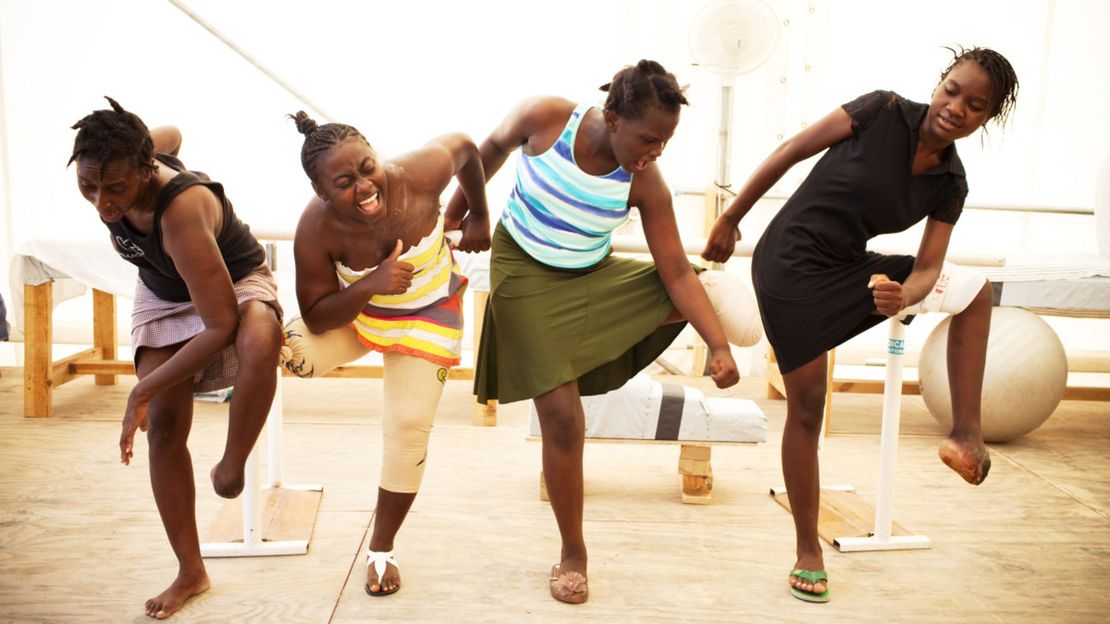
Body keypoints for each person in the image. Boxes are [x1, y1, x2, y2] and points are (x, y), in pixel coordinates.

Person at [701, 47, 1019, 603]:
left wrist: (905, 296)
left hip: (847, 265)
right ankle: (808, 549)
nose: (954, 108)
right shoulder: (881, 110)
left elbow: (925, 270)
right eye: (952, 90)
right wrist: (731, 218)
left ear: (986, 118)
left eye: (975, 106)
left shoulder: (951, 184)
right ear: (939, 81)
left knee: (976, 291)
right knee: (807, 406)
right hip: (790, 262)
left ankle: (966, 435)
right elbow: (790, 152)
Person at [450, 59, 757, 604]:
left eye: (664, 143)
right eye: (648, 139)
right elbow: (480, 154)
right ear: (612, 116)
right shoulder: (545, 119)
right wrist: (467, 215)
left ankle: (596, 351)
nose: (653, 153)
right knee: (564, 419)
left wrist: (717, 344)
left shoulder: (644, 182)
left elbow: (677, 270)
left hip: (589, 274)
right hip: (522, 269)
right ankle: (574, 552)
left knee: (685, 292)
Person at [69, 97, 283, 619]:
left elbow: (221, 324)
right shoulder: (129, 160)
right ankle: (191, 570)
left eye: (114, 188)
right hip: (164, 291)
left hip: (232, 282)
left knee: (260, 335)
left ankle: (232, 465)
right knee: (164, 427)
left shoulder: (182, 209)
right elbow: (169, 131)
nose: (101, 202)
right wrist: (152, 390)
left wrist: (138, 388)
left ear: (145, 170)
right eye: (88, 186)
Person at [281, 111, 489, 596]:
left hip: (430, 314)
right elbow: (315, 315)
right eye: (345, 182)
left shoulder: (420, 173)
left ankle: (380, 547)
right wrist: (372, 284)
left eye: (368, 167)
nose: (365, 186)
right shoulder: (315, 227)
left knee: (408, 427)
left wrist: (478, 212)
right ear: (322, 193)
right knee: (293, 352)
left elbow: (465, 146)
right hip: (358, 316)